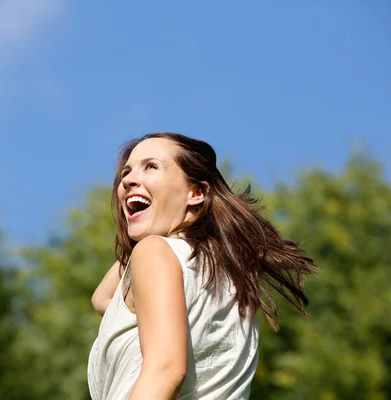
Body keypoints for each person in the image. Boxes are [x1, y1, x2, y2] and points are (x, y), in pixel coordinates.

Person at [88, 133, 316, 399]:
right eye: (126, 172)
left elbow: (166, 369)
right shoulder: (230, 278)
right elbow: (103, 299)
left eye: (151, 166)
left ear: (196, 193)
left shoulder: (154, 253)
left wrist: (149, 242)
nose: (126, 180)